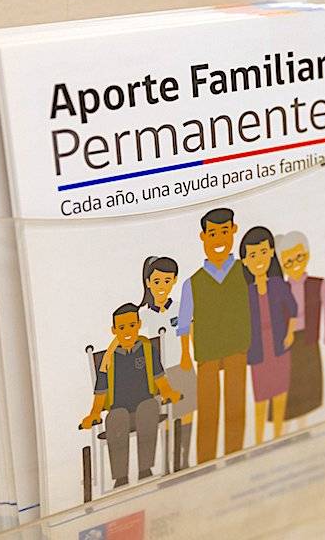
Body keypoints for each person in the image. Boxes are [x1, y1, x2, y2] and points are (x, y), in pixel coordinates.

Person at [176, 208, 252, 463]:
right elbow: (184, 322)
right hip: (207, 351)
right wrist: (185, 353)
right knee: (208, 410)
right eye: (212, 233)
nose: (219, 239)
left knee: (236, 405)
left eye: (224, 231)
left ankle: (235, 456)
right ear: (203, 236)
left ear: (233, 231)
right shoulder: (193, 283)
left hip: (237, 346)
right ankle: (205, 462)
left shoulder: (244, 271)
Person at [79, 303, 181, 487]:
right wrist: (94, 413)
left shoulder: (147, 349)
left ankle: (145, 469)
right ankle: (120, 477)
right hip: (119, 410)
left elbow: (159, 378)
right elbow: (101, 391)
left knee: (148, 408)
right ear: (114, 330)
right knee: (116, 417)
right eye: (122, 327)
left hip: (145, 404)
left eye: (132, 325)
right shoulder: (108, 360)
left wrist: (167, 392)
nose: (127, 331)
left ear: (139, 324)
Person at [137, 256, 196, 471]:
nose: (162, 286)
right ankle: (169, 463)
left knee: (187, 412)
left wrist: (188, 355)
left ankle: (185, 459)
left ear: (174, 280)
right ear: (148, 283)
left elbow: (188, 331)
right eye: (157, 281)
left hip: (182, 366)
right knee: (167, 417)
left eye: (167, 280)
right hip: (159, 374)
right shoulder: (143, 316)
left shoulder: (180, 307)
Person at [239, 226, 297, 443]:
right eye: (253, 255)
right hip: (258, 349)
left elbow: (292, 309)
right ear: (245, 261)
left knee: (281, 393)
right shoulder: (246, 292)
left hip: (279, 344)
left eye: (263, 252)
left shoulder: (278, 285)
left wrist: (290, 333)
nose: (259, 259)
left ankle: (279, 436)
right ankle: (259, 441)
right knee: (261, 398)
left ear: (272, 252)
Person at [274, 231, 325, 429]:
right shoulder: (281, 289)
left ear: (307, 254)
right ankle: (284, 432)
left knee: (306, 389)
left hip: (309, 342)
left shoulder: (318, 284)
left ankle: (303, 429)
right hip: (287, 343)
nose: (295, 264)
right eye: (288, 261)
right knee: (288, 389)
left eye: (299, 257)